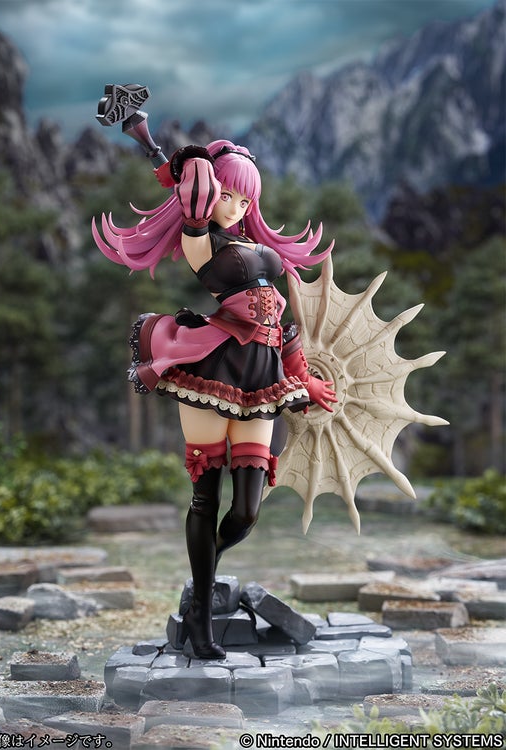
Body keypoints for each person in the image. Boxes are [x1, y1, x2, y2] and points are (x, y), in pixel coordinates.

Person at [92, 139, 337, 659]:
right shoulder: (202, 243)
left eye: (245, 200)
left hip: (262, 383)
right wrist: (175, 162)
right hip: (214, 372)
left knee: (246, 512)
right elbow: (194, 207)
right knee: (206, 499)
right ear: (208, 195)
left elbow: (282, 326)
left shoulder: (258, 248)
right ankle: (201, 615)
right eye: (227, 195)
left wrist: (305, 379)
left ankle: (203, 576)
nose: (237, 206)